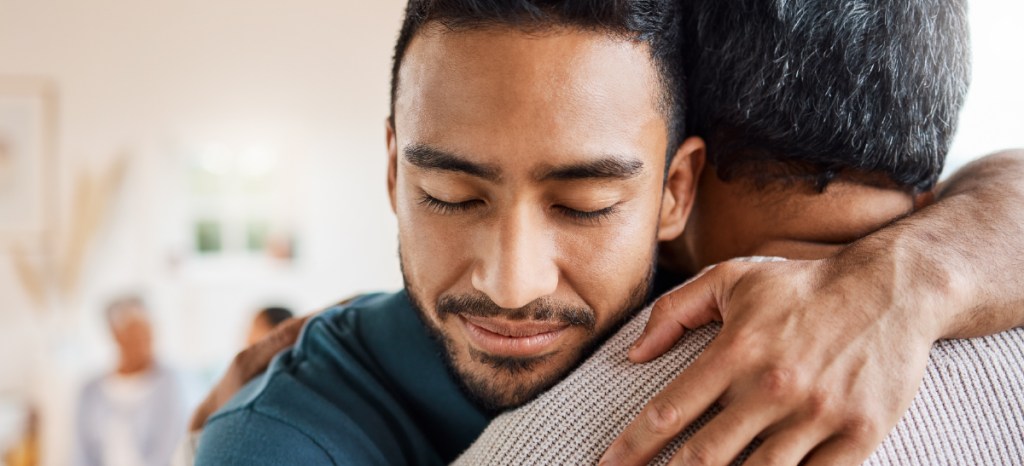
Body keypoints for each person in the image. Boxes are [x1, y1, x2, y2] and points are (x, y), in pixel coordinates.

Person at [193, 0, 1024, 464]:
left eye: (586, 203)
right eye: (449, 193)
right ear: (392, 173)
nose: (511, 283)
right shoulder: (282, 437)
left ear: (676, 187)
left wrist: (906, 283)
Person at [75, 296, 187, 466]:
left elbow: (169, 450)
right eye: (135, 333)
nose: (145, 341)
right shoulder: (90, 391)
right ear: (116, 336)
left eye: (147, 332)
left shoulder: (170, 383)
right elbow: (79, 455)